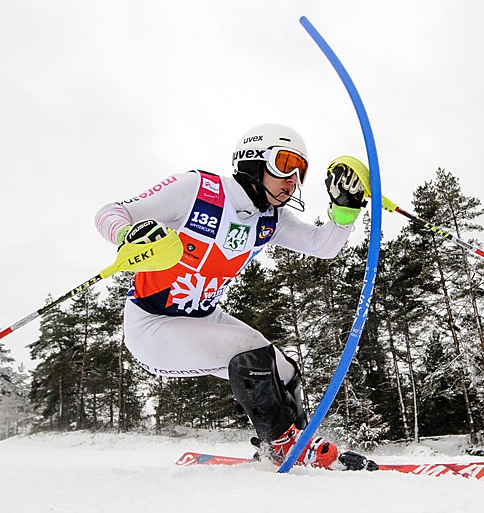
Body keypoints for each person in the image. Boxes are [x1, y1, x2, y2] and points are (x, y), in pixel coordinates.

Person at [94, 123, 372, 470]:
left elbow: (324, 245)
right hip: (153, 323)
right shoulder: (196, 189)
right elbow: (110, 212)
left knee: (284, 371)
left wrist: (344, 210)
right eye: (285, 164)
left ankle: (294, 446)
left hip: (203, 318)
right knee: (250, 350)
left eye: (300, 171)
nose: (293, 180)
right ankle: (283, 446)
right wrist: (127, 231)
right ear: (254, 161)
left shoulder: (270, 218)